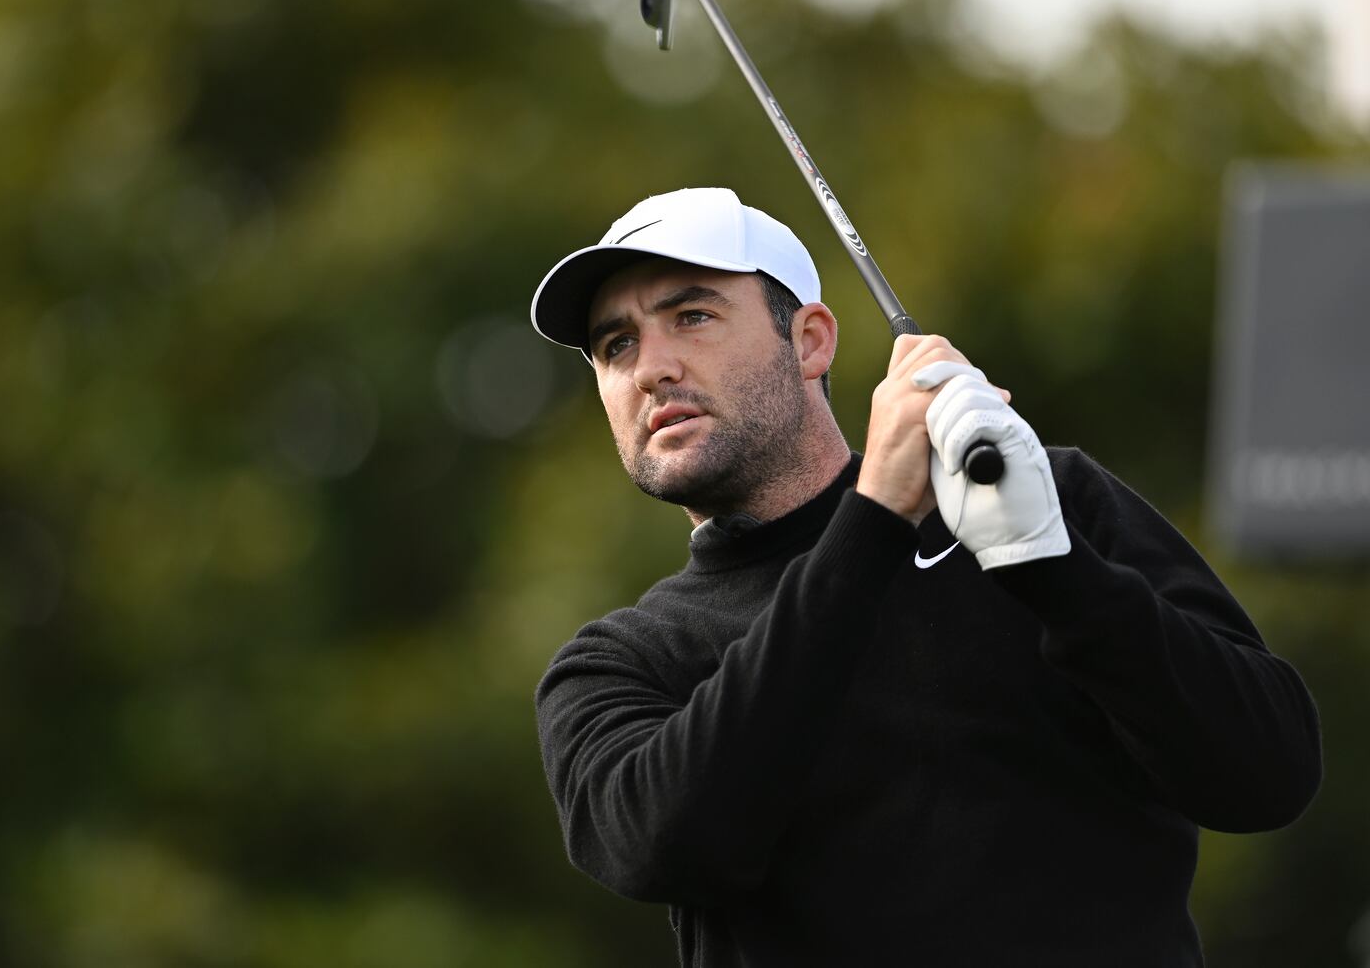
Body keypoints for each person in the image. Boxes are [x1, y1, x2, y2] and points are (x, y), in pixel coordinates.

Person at [527, 187, 1321, 967]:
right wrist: (875, 519)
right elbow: (669, 844)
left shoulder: (1041, 496)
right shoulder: (619, 661)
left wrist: (1060, 569)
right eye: (615, 345)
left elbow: (1267, 774)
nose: (650, 369)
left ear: (809, 341)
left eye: (691, 315)